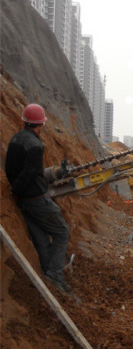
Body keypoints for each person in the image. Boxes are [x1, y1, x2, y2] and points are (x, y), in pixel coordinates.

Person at [5, 103, 72, 293]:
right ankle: (55, 276)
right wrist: (20, 190)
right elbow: (31, 172)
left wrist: (16, 192)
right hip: (36, 200)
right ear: (41, 124)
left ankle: (47, 274)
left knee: (41, 239)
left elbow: (15, 171)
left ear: (25, 121)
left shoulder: (16, 139)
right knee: (62, 232)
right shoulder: (35, 145)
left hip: (24, 201)